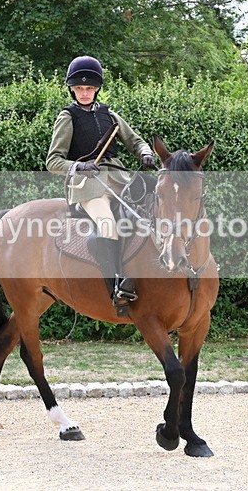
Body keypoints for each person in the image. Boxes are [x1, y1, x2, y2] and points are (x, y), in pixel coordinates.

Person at [46, 56, 155, 316]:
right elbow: (53, 160)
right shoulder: (67, 117)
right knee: (107, 224)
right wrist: (78, 166)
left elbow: (135, 140)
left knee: (154, 216)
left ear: (97, 89)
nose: (85, 92)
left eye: (89, 88)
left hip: (120, 182)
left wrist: (145, 153)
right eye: (80, 88)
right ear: (72, 89)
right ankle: (117, 287)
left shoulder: (110, 115)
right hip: (89, 187)